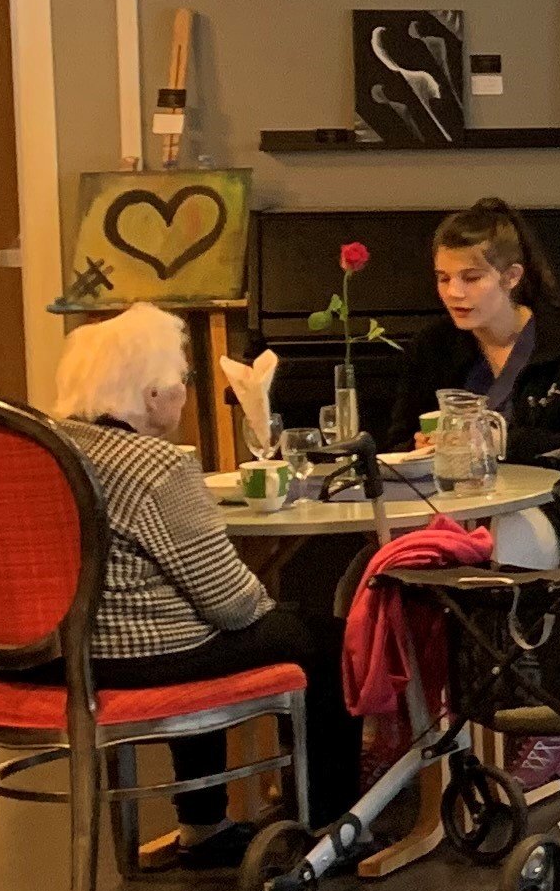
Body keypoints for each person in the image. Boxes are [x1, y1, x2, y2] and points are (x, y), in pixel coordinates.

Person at [19, 303, 360, 856]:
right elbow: (233, 606)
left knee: (187, 618)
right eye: (184, 378)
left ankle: (205, 826)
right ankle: (329, 833)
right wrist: (266, 598)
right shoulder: (156, 466)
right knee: (325, 640)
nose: (185, 391)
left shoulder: (41, 451)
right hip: (127, 657)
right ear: (152, 393)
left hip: (38, 655)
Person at [386, 199, 560, 494]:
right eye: (444, 278)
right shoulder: (433, 347)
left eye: (471, 278)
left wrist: (501, 442)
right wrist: (421, 448)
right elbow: (397, 447)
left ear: (511, 277)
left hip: (556, 502)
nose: (454, 292)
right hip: (453, 503)